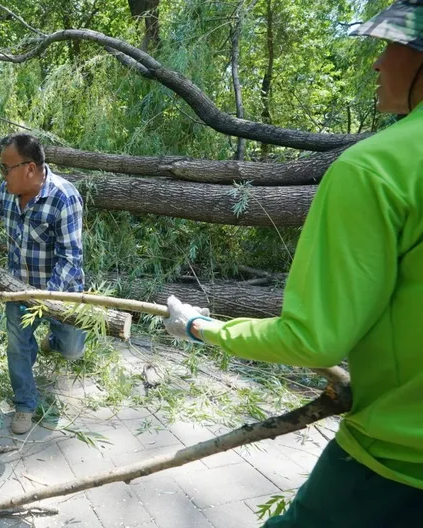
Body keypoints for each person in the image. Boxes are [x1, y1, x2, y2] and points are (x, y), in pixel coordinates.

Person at [163, 2, 423, 526]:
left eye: (393, 45)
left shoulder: (377, 170)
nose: (378, 63)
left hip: (398, 463)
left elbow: (313, 340)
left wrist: (200, 327)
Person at [0, 133, 86, 434]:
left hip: (61, 292)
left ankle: (55, 341)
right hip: (17, 288)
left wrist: (46, 299)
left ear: (30, 169)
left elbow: (71, 257)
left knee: (73, 349)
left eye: (5, 168)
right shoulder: (8, 192)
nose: (2, 174)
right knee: (18, 346)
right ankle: (25, 403)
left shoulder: (64, 197)